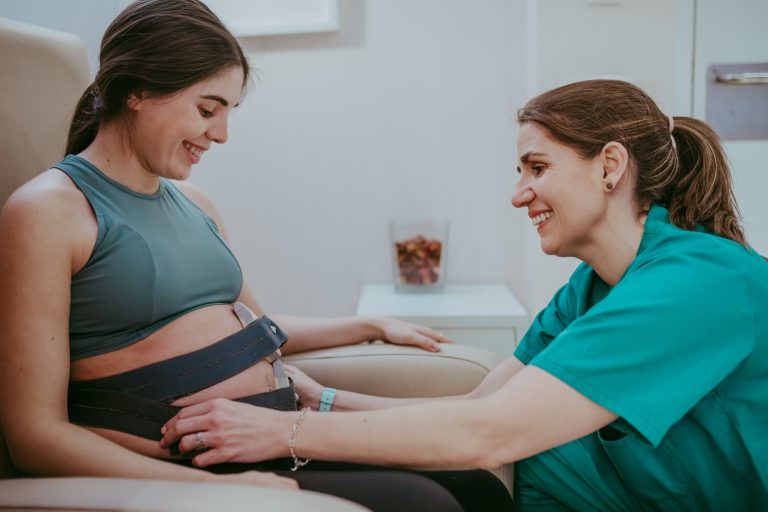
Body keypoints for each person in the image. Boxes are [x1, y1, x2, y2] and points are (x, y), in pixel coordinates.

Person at [0, 1, 515, 510]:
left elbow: (257, 329)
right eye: (207, 109)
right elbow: (34, 435)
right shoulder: (49, 211)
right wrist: (218, 490)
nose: (221, 134)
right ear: (137, 89)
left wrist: (368, 324)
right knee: (425, 504)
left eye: (228, 112)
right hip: (193, 464)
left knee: (476, 486)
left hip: (271, 433)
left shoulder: (195, 204)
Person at [161, 79, 768, 511]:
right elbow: (480, 403)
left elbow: (487, 432)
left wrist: (280, 434)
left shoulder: (698, 282)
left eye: (536, 167)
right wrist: (319, 402)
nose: (519, 194)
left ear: (610, 165)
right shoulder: (591, 287)